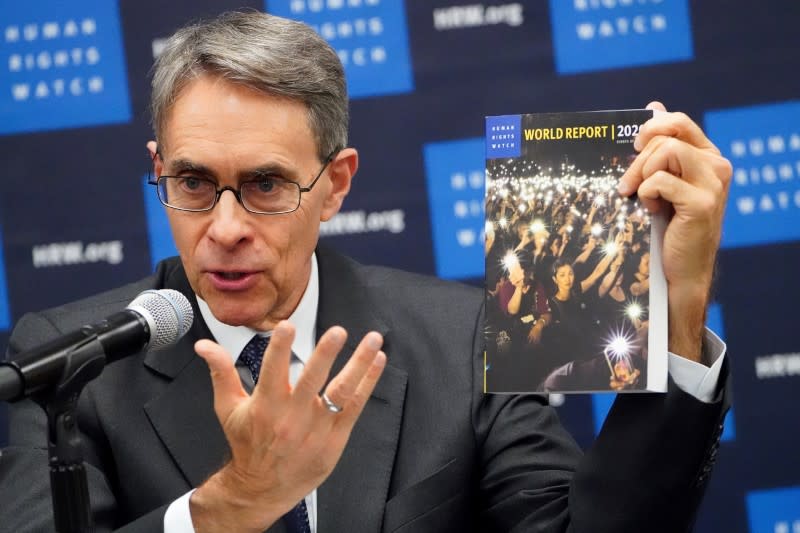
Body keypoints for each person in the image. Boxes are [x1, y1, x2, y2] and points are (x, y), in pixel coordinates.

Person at [0, 11, 732, 533]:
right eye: (193, 182)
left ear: (337, 183)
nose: (224, 228)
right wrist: (229, 506)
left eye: (265, 185)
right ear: (159, 170)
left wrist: (683, 313)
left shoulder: (461, 337)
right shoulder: (65, 366)